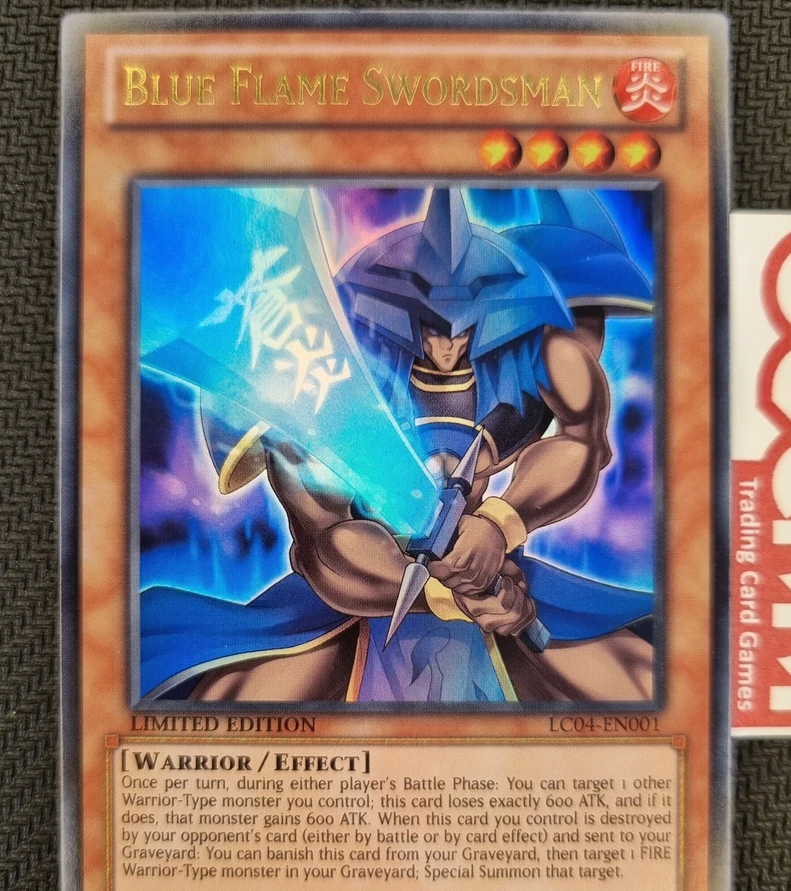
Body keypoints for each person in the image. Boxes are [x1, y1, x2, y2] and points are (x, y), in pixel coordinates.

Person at [142, 188, 655, 704]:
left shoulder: (533, 350)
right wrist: (442, 593)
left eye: (466, 330)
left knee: (643, 681)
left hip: (493, 564)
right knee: (226, 705)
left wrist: (500, 523)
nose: (447, 348)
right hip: (362, 587)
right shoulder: (315, 375)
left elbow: (583, 441)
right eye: (429, 329)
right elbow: (324, 542)